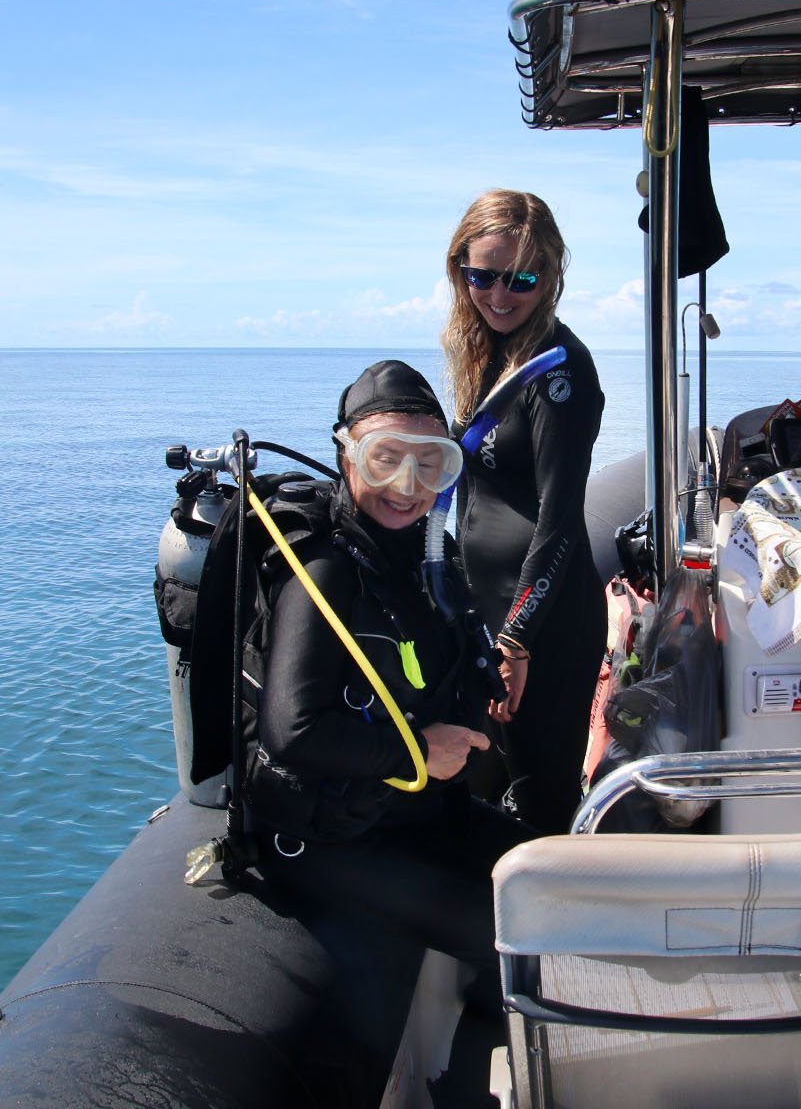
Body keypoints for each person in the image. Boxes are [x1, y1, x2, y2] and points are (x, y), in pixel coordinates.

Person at [246, 359, 535, 1106]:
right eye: (385, 459)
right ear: (347, 456)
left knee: (549, 874)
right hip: (334, 840)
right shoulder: (326, 568)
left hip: (408, 815)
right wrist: (421, 748)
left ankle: (495, 1034)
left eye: (429, 462)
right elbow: (292, 729)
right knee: (514, 928)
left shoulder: (417, 553)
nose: (408, 486)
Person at [442, 189, 607, 832]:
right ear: (459, 270)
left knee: (541, 794)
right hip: (487, 610)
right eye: (482, 277)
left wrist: (516, 641)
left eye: (521, 280)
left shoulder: (559, 373)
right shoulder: (486, 351)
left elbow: (559, 518)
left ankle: (555, 894)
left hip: (544, 623)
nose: (499, 295)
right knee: (481, 777)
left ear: (550, 276)